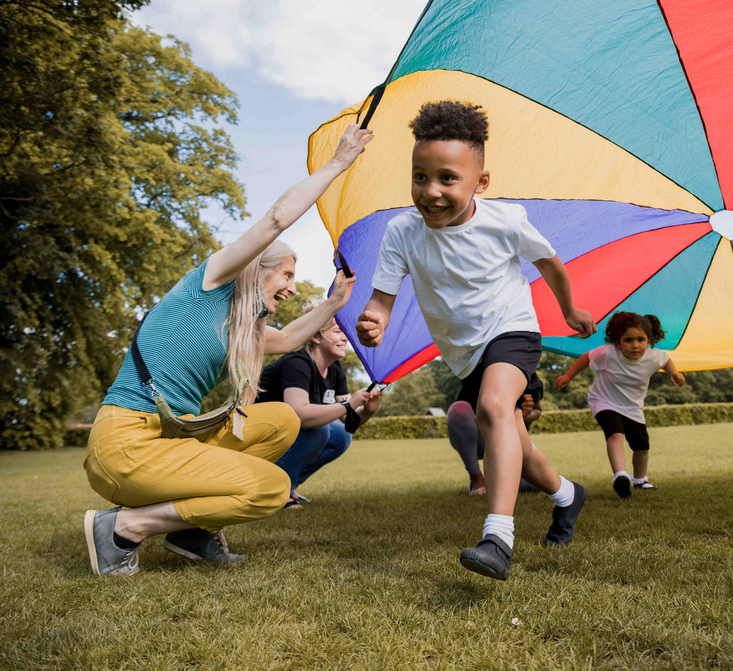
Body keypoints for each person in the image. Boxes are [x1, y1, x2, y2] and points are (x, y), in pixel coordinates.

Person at [82, 124, 374, 576]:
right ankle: (124, 527)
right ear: (257, 268)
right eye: (286, 276)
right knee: (271, 488)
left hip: (172, 439)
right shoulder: (210, 285)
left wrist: (335, 303)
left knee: (281, 420)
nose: (292, 289)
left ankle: (191, 531)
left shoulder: (241, 326)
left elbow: (289, 339)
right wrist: (338, 163)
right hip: (126, 445)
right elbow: (276, 220)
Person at [356, 100, 596, 581]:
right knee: (519, 449)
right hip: (465, 354)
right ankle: (568, 495)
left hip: (511, 329)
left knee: (492, 407)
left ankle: (498, 538)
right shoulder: (402, 232)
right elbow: (381, 299)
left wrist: (569, 310)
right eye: (420, 177)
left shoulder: (504, 221)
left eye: (447, 178)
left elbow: (549, 262)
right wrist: (373, 319)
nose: (431, 191)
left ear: (480, 182)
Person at [257, 301, 382, 509]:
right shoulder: (297, 364)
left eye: (345, 332)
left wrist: (367, 410)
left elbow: (347, 419)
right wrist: (349, 404)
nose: (345, 338)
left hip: (288, 432)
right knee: (319, 430)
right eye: (337, 332)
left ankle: (288, 484)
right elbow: (299, 414)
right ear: (315, 336)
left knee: (341, 436)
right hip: (259, 432)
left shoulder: (335, 368)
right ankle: (275, 489)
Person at [556, 312, 685, 498]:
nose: (635, 345)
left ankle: (640, 480)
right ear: (617, 342)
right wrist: (568, 376)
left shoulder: (653, 357)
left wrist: (674, 373)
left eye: (641, 340)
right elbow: (586, 358)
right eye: (628, 340)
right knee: (615, 434)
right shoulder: (608, 353)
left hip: (633, 408)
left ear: (649, 340)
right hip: (603, 401)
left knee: (642, 447)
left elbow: (665, 360)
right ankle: (620, 476)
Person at [447, 382, 544, 496]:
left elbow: (537, 410)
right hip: (482, 436)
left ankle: (501, 478)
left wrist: (526, 414)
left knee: (538, 482)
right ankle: (477, 480)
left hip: (512, 439)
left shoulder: (530, 377)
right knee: (458, 410)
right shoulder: (474, 374)